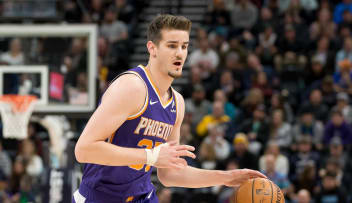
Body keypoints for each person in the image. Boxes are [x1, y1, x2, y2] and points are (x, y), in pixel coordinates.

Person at [74, 14, 266, 203]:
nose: (180, 53)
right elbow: (83, 150)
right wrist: (150, 156)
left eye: (184, 46)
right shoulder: (132, 87)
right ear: (152, 48)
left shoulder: (178, 103)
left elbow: (169, 174)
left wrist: (226, 177)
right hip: (101, 197)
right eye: (172, 45)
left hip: (142, 196)